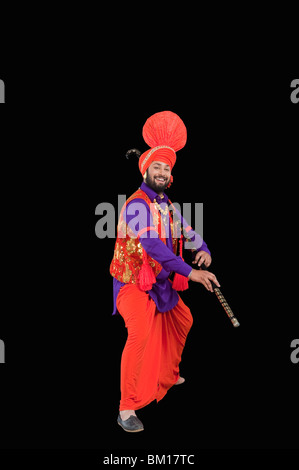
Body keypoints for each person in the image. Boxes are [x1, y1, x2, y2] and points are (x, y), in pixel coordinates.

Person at [110, 111, 220, 432]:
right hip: (132, 283)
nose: (162, 171)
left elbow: (187, 231)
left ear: (170, 175)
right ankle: (126, 408)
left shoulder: (167, 204)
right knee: (140, 334)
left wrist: (203, 249)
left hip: (158, 282)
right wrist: (191, 272)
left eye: (166, 167)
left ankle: (168, 376)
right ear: (146, 170)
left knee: (184, 319)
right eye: (156, 166)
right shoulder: (136, 205)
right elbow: (155, 247)